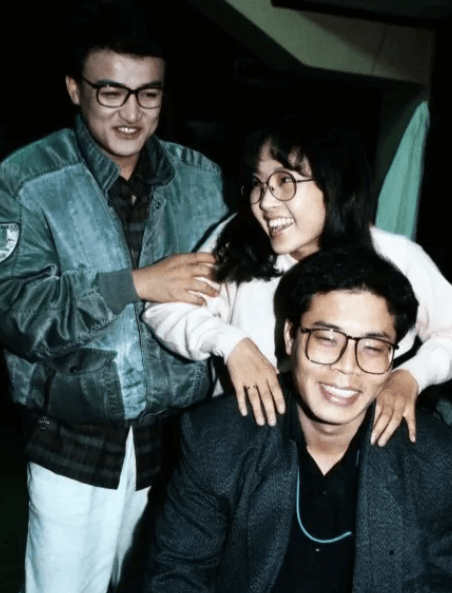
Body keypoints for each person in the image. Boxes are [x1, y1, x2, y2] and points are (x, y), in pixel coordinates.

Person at [0, 2, 228, 592]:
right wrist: (135, 284)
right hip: (72, 436)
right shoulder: (27, 178)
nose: (131, 113)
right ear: (74, 88)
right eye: (111, 92)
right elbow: (16, 310)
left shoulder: (201, 180)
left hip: (174, 439)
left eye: (148, 94)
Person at [145, 248, 452, 593]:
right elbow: (176, 576)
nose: (346, 367)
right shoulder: (219, 440)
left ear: (392, 357)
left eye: (372, 347)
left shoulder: (433, 459)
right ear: (291, 336)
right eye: (326, 339)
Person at [143, 115, 452, 446]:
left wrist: (411, 376)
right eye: (259, 183)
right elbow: (164, 310)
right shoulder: (240, 241)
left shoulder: (396, 257)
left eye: (285, 181)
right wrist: (231, 343)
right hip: (248, 445)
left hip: (358, 448)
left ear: (332, 184)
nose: (265, 202)